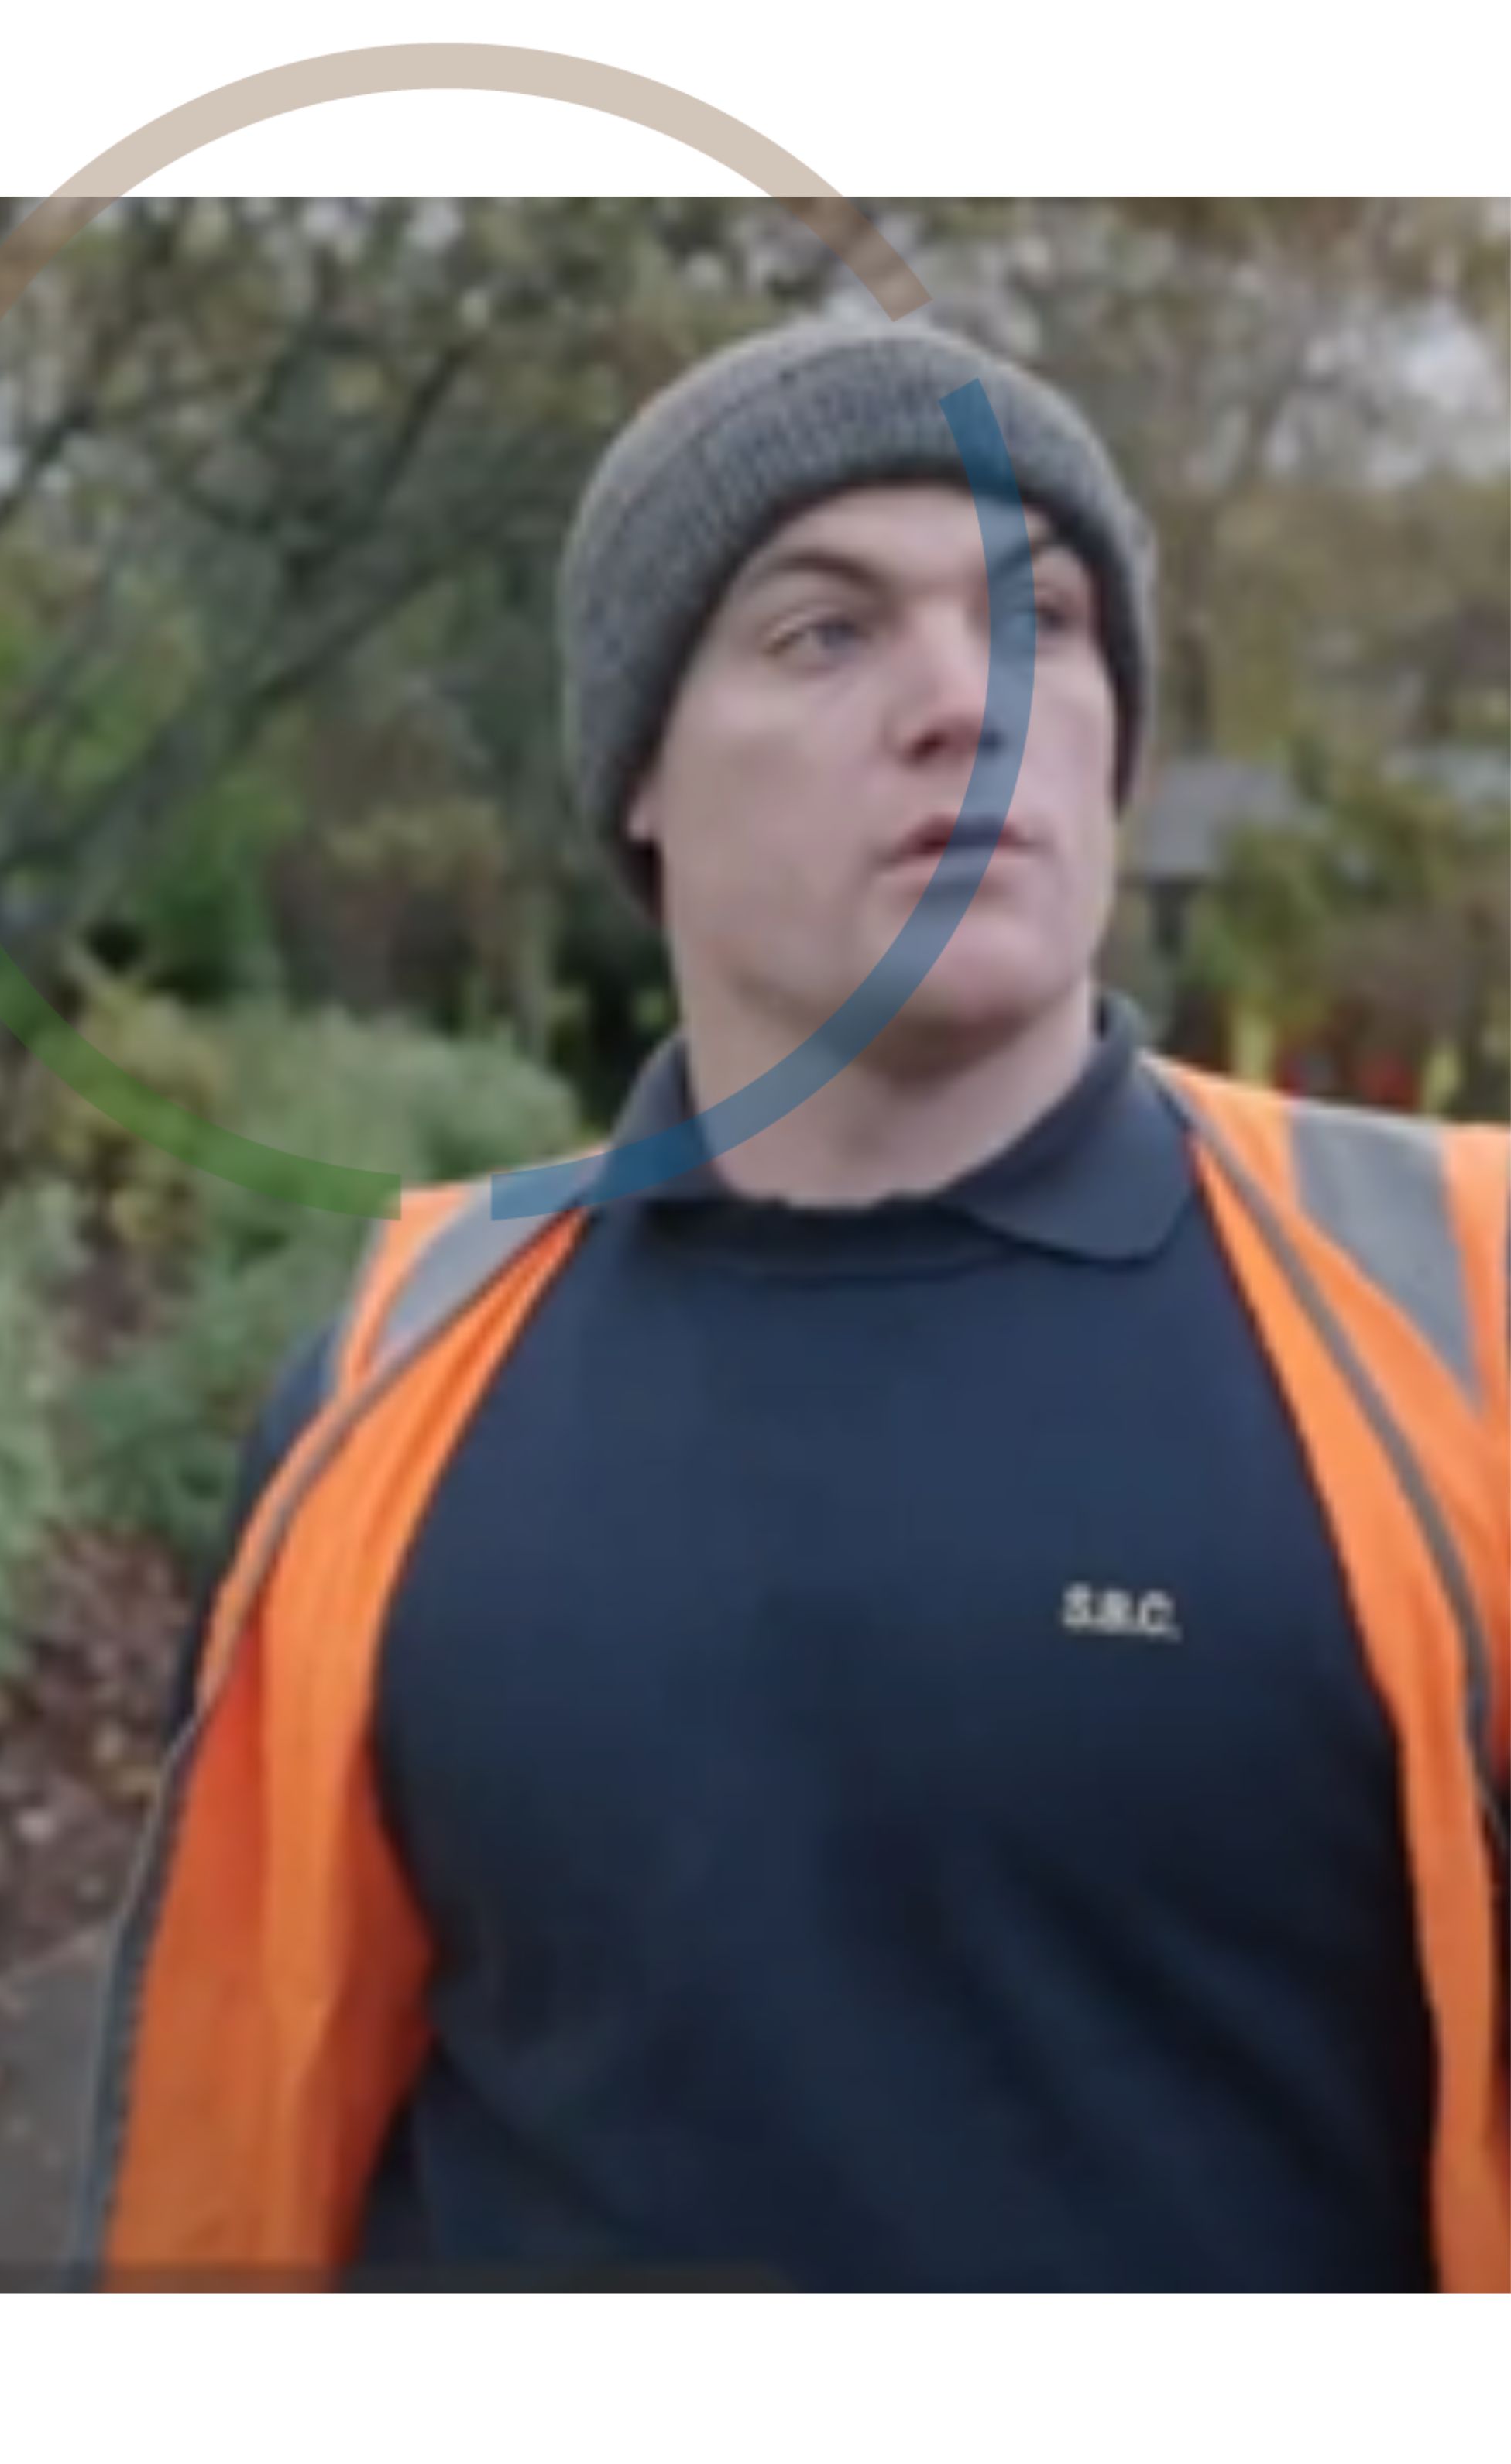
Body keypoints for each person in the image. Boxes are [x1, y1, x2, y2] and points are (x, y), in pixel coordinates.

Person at [84, 317, 1511, 2291]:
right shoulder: (400, 1370)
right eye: (825, 632)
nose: (971, 702)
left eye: (1049, 622)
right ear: (639, 774)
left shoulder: (1458, 1307)